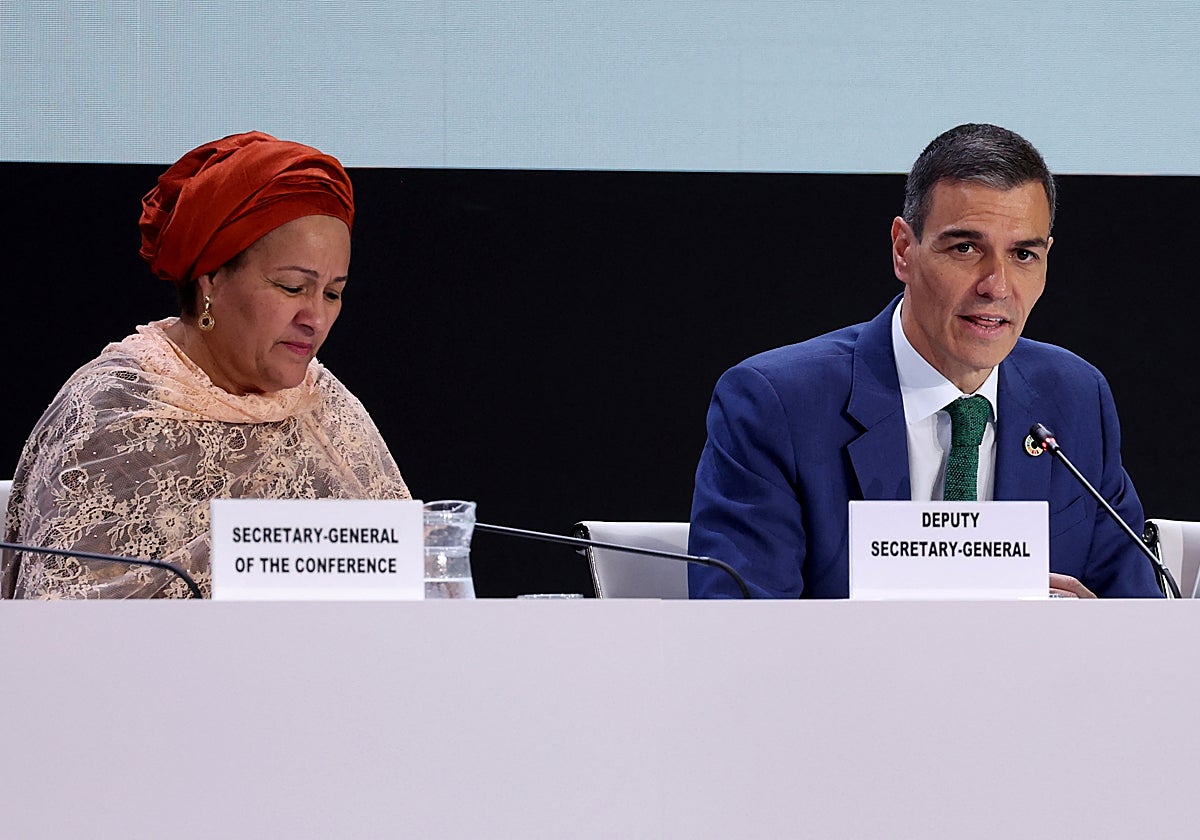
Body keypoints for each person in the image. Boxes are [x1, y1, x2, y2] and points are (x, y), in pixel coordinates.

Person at [688, 123, 1163, 599]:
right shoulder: (777, 407)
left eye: (1023, 254)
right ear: (903, 251)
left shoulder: (1076, 400)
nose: (996, 286)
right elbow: (741, 632)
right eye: (965, 248)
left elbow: (1140, 623)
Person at [1, 131, 410, 599]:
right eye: (293, 288)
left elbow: (406, 589)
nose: (315, 318)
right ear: (211, 278)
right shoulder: (115, 412)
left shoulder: (325, 407)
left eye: (333, 293)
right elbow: (61, 629)